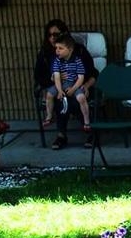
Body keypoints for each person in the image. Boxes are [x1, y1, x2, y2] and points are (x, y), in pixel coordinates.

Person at [33, 19, 98, 148]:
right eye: (49, 35)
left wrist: (86, 86)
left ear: (65, 33)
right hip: (58, 89)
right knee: (61, 100)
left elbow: (93, 73)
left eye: (55, 34)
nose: (52, 38)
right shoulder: (45, 54)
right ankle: (61, 135)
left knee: (75, 100)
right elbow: (38, 76)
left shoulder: (79, 51)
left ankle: (90, 132)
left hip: (78, 86)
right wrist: (53, 79)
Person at [46, 34, 92, 150]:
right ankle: (55, 126)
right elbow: (54, 77)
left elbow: (87, 75)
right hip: (61, 87)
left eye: (60, 48)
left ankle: (88, 127)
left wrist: (79, 87)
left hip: (77, 86)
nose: (57, 51)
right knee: (58, 99)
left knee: (78, 100)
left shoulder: (79, 57)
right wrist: (59, 89)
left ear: (70, 48)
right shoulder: (56, 59)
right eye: (56, 48)